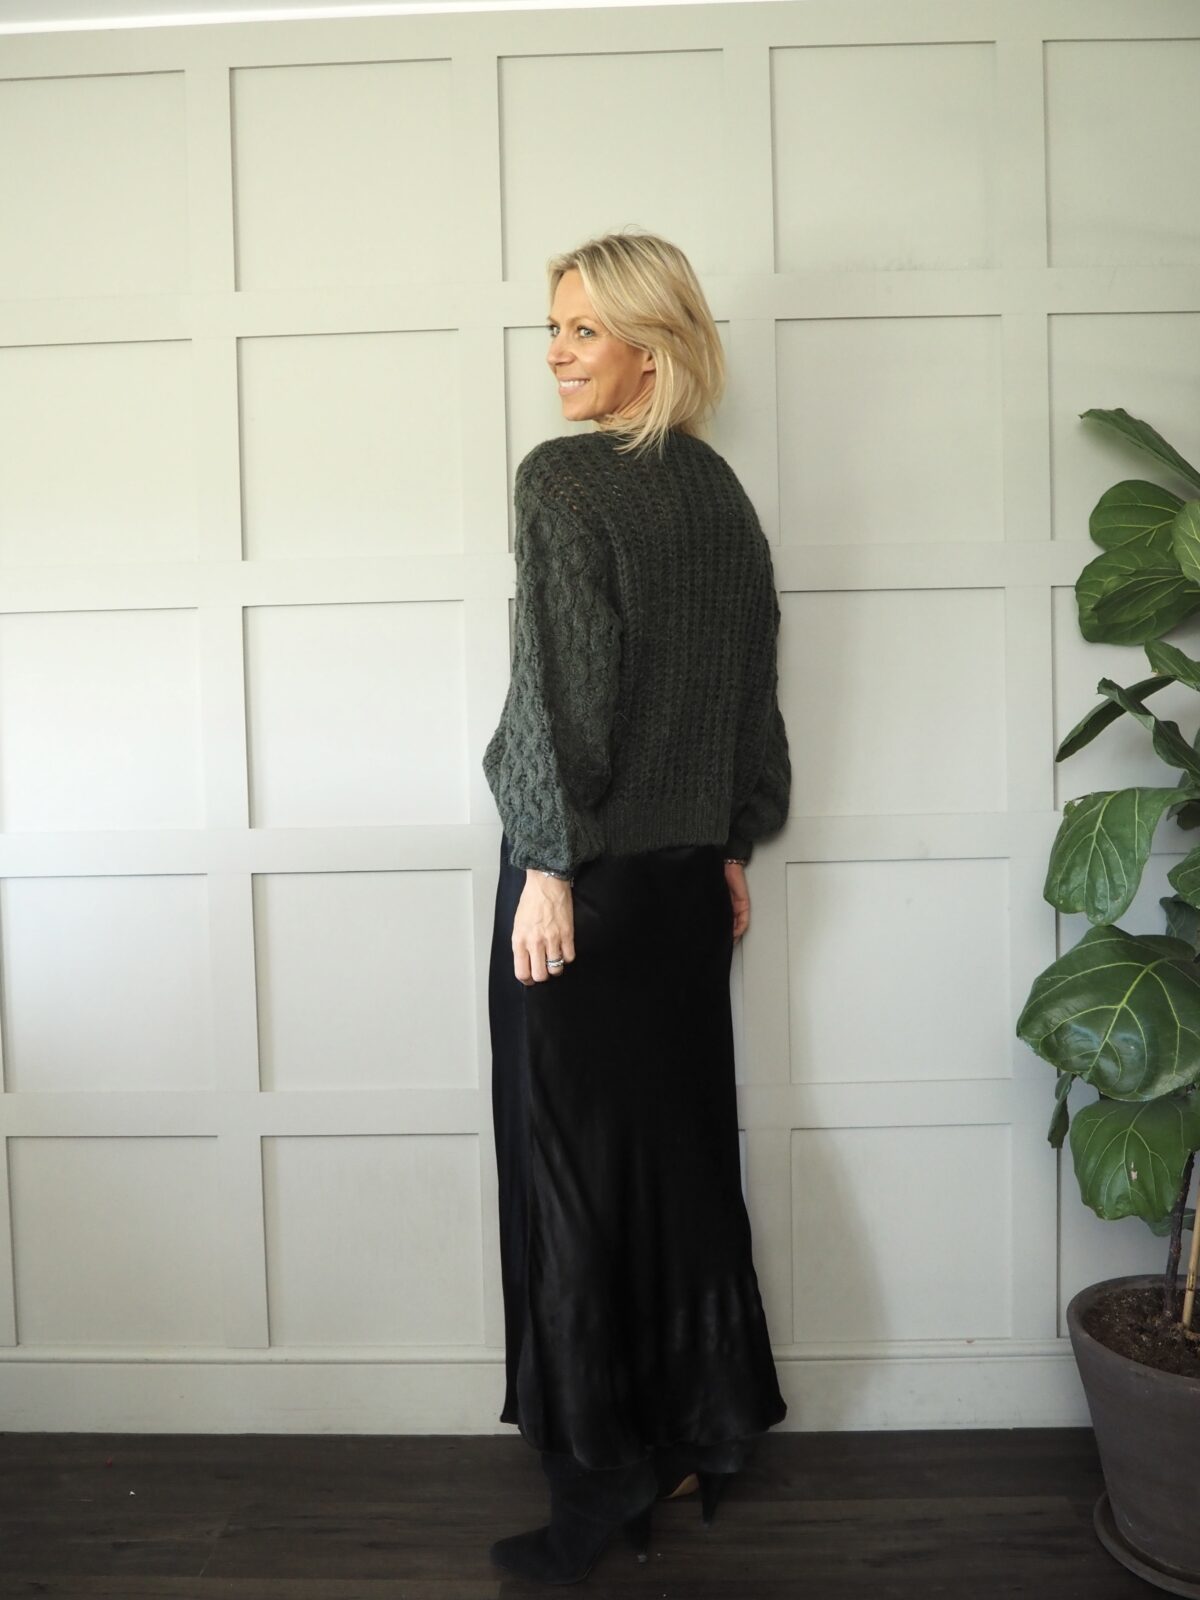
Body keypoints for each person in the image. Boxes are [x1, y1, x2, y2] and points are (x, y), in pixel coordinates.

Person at [482, 229, 791, 1586]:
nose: (554, 353)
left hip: (587, 887)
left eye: (582, 330)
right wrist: (728, 844)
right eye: (552, 327)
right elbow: (749, 691)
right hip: (682, 894)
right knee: (678, 1169)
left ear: (650, 348)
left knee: (571, 1181)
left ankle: (599, 1477)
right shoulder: (719, 493)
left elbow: (566, 692)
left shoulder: (563, 481)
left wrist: (548, 862)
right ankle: (688, 1436)